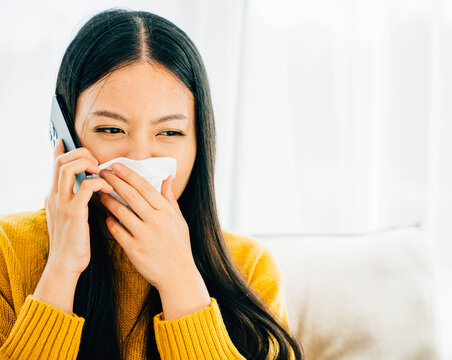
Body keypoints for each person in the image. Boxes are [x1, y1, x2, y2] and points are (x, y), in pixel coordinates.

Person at [0, 8, 302, 360]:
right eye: (110, 129)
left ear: (199, 144)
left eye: (170, 132)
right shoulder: (9, 251)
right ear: (65, 136)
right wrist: (62, 269)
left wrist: (180, 280)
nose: (141, 158)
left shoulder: (249, 268)